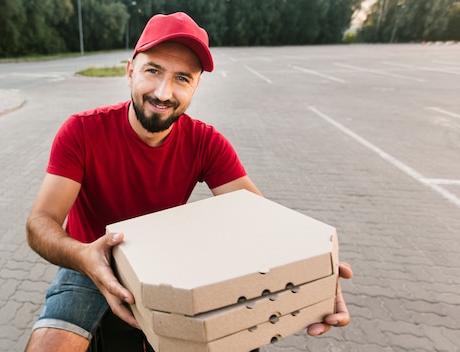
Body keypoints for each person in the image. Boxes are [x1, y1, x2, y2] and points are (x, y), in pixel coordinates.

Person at [24, 12, 353, 352]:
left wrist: (320, 275)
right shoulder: (82, 131)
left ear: (196, 86)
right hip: (89, 260)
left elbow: (262, 220)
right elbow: (40, 223)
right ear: (130, 71)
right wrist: (83, 256)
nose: (164, 92)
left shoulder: (205, 142)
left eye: (182, 78)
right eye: (153, 70)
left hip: (167, 263)